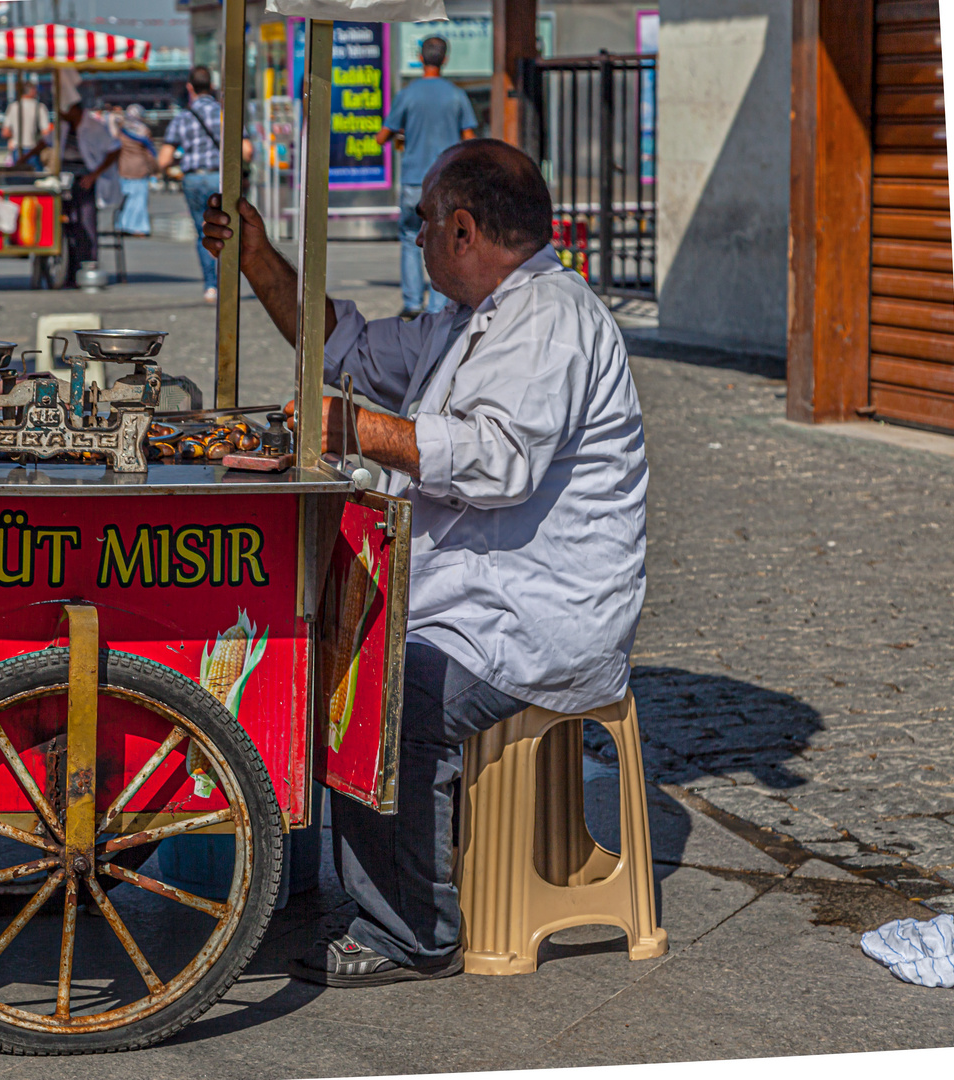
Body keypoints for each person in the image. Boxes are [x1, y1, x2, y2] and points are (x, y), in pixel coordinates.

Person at [201, 140, 646, 986]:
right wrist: (259, 261)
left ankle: (410, 931)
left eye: (424, 222)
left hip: (535, 619)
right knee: (311, 650)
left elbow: (499, 460)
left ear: (466, 229)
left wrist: (357, 431)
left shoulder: (549, 318)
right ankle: (315, 875)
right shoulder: (465, 321)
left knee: (381, 692)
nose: (417, 236)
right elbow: (345, 349)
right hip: (472, 598)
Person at [378, 36, 477, 317]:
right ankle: (437, 305)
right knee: (443, 242)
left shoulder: (407, 94)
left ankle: (411, 303)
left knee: (411, 238)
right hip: (446, 184)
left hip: (413, 181)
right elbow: (469, 139)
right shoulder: (456, 94)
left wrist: (403, 134)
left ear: (420, 58)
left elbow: (381, 137)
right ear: (445, 59)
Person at [158, 66, 253, 304]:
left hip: (192, 179)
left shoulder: (183, 117)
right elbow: (247, 152)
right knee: (226, 231)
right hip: (220, 178)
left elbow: (163, 159)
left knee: (203, 232)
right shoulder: (225, 114)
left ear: (189, 87)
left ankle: (211, 286)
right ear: (211, 86)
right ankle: (227, 281)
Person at [37, 73, 119, 289]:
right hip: (64, 177)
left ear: (74, 108)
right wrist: (22, 160)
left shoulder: (94, 126)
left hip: (86, 179)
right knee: (64, 221)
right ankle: (68, 268)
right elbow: (44, 142)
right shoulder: (63, 126)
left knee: (86, 222)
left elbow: (114, 149)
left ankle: (87, 264)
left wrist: (94, 175)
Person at [114, 103, 157, 237]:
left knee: (126, 200)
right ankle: (137, 228)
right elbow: (150, 153)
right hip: (139, 170)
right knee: (138, 202)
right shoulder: (143, 131)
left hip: (124, 168)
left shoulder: (121, 131)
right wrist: (155, 168)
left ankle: (123, 224)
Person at [3, 80, 51, 169]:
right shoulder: (39, 107)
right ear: (33, 91)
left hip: (16, 149)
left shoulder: (13, 107)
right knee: (37, 180)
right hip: (34, 150)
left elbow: (5, 132)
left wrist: (16, 135)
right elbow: (46, 132)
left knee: (18, 179)